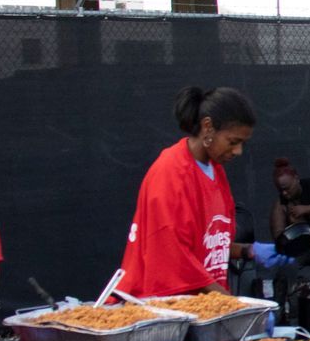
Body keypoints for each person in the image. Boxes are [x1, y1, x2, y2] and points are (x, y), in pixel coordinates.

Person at [120, 87, 285, 297]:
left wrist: (248, 250)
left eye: (242, 143)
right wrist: (233, 308)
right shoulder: (170, 173)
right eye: (233, 142)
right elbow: (172, 258)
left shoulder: (215, 170)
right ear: (208, 127)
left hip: (198, 306)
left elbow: (207, 246)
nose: (238, 151)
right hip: (161, 308)